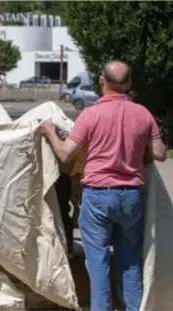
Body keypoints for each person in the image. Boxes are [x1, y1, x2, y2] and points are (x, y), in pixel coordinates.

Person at [40, 60, 166, 311]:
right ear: (128, 84)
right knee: (129, 262)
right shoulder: (143, 114)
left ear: (101, 81)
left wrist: (50, 132)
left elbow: (65, 155)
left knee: (97, 264)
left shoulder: (90, 115)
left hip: (97, 197)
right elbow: (160, 153)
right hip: (131, 196)